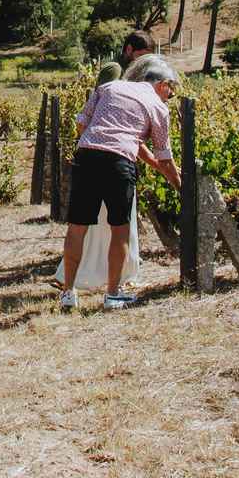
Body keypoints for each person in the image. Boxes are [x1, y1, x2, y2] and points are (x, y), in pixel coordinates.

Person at [60, 55, 183, 311]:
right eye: (170, 92)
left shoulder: (109, 87)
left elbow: (81, 124)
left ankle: (68, 293)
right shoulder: (158, 107)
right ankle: (113, 294)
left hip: (86, 156)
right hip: (119, 164)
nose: (169, 97)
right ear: (162, 84)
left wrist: (97, 145)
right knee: (120, 229)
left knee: (77, 227)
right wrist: (181, 185)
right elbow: (164, 156)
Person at [54, 33, 156, 292]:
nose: (145, 64)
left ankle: (78, 287)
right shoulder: (115, 75)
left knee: (87, 228)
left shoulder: (134, 79)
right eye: (142, 56)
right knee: (110, 229)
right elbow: (100, 121)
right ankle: (109, 287)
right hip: (112, 158)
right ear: (130, 50)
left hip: (98, 154)